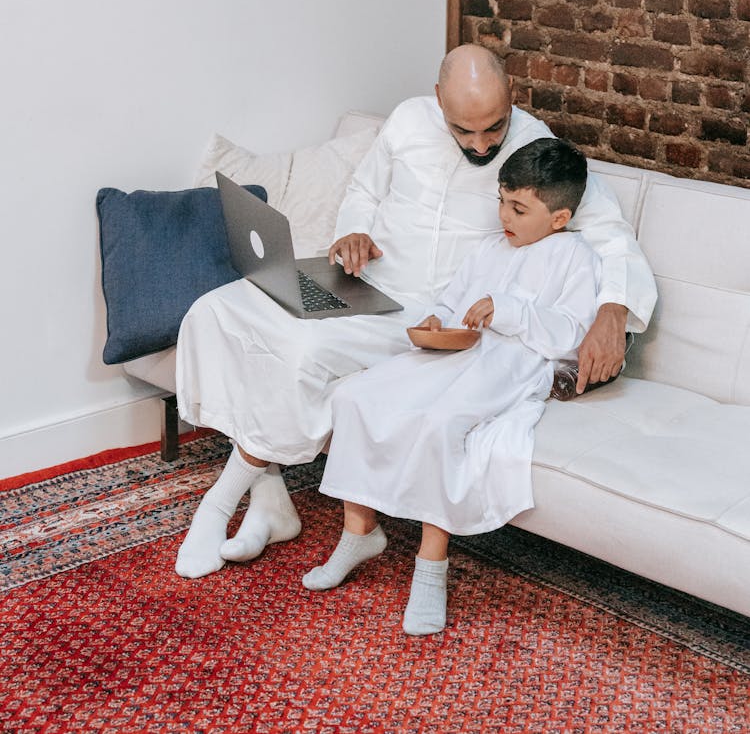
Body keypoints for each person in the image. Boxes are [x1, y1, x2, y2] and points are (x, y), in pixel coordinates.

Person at [174, 45, 656, 579]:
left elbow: (610, 236)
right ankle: (269, 497)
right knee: (218, 309)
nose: (479, 145)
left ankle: (224, 502)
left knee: (303, 350)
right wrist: (351, 233)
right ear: (436, 101)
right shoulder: (406, 120)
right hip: (362, 281)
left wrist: (613, 310)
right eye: (463, 130)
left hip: (427, 316)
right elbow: (363, 190)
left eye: (492, 129)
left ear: (513, 98)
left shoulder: (538, 148)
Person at [302, 137, 599, 635]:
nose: (504, 215)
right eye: (502, 200)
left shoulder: (576, 258)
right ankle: (359, 531)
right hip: (455, 353)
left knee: (440, 423)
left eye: (519, 207)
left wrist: (510, 309)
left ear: (559, 218)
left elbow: (570, 333)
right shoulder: (490, 246)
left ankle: (431, 565)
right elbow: (453, 298)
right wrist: (437, 318)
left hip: (511, 363)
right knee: (355, 396)